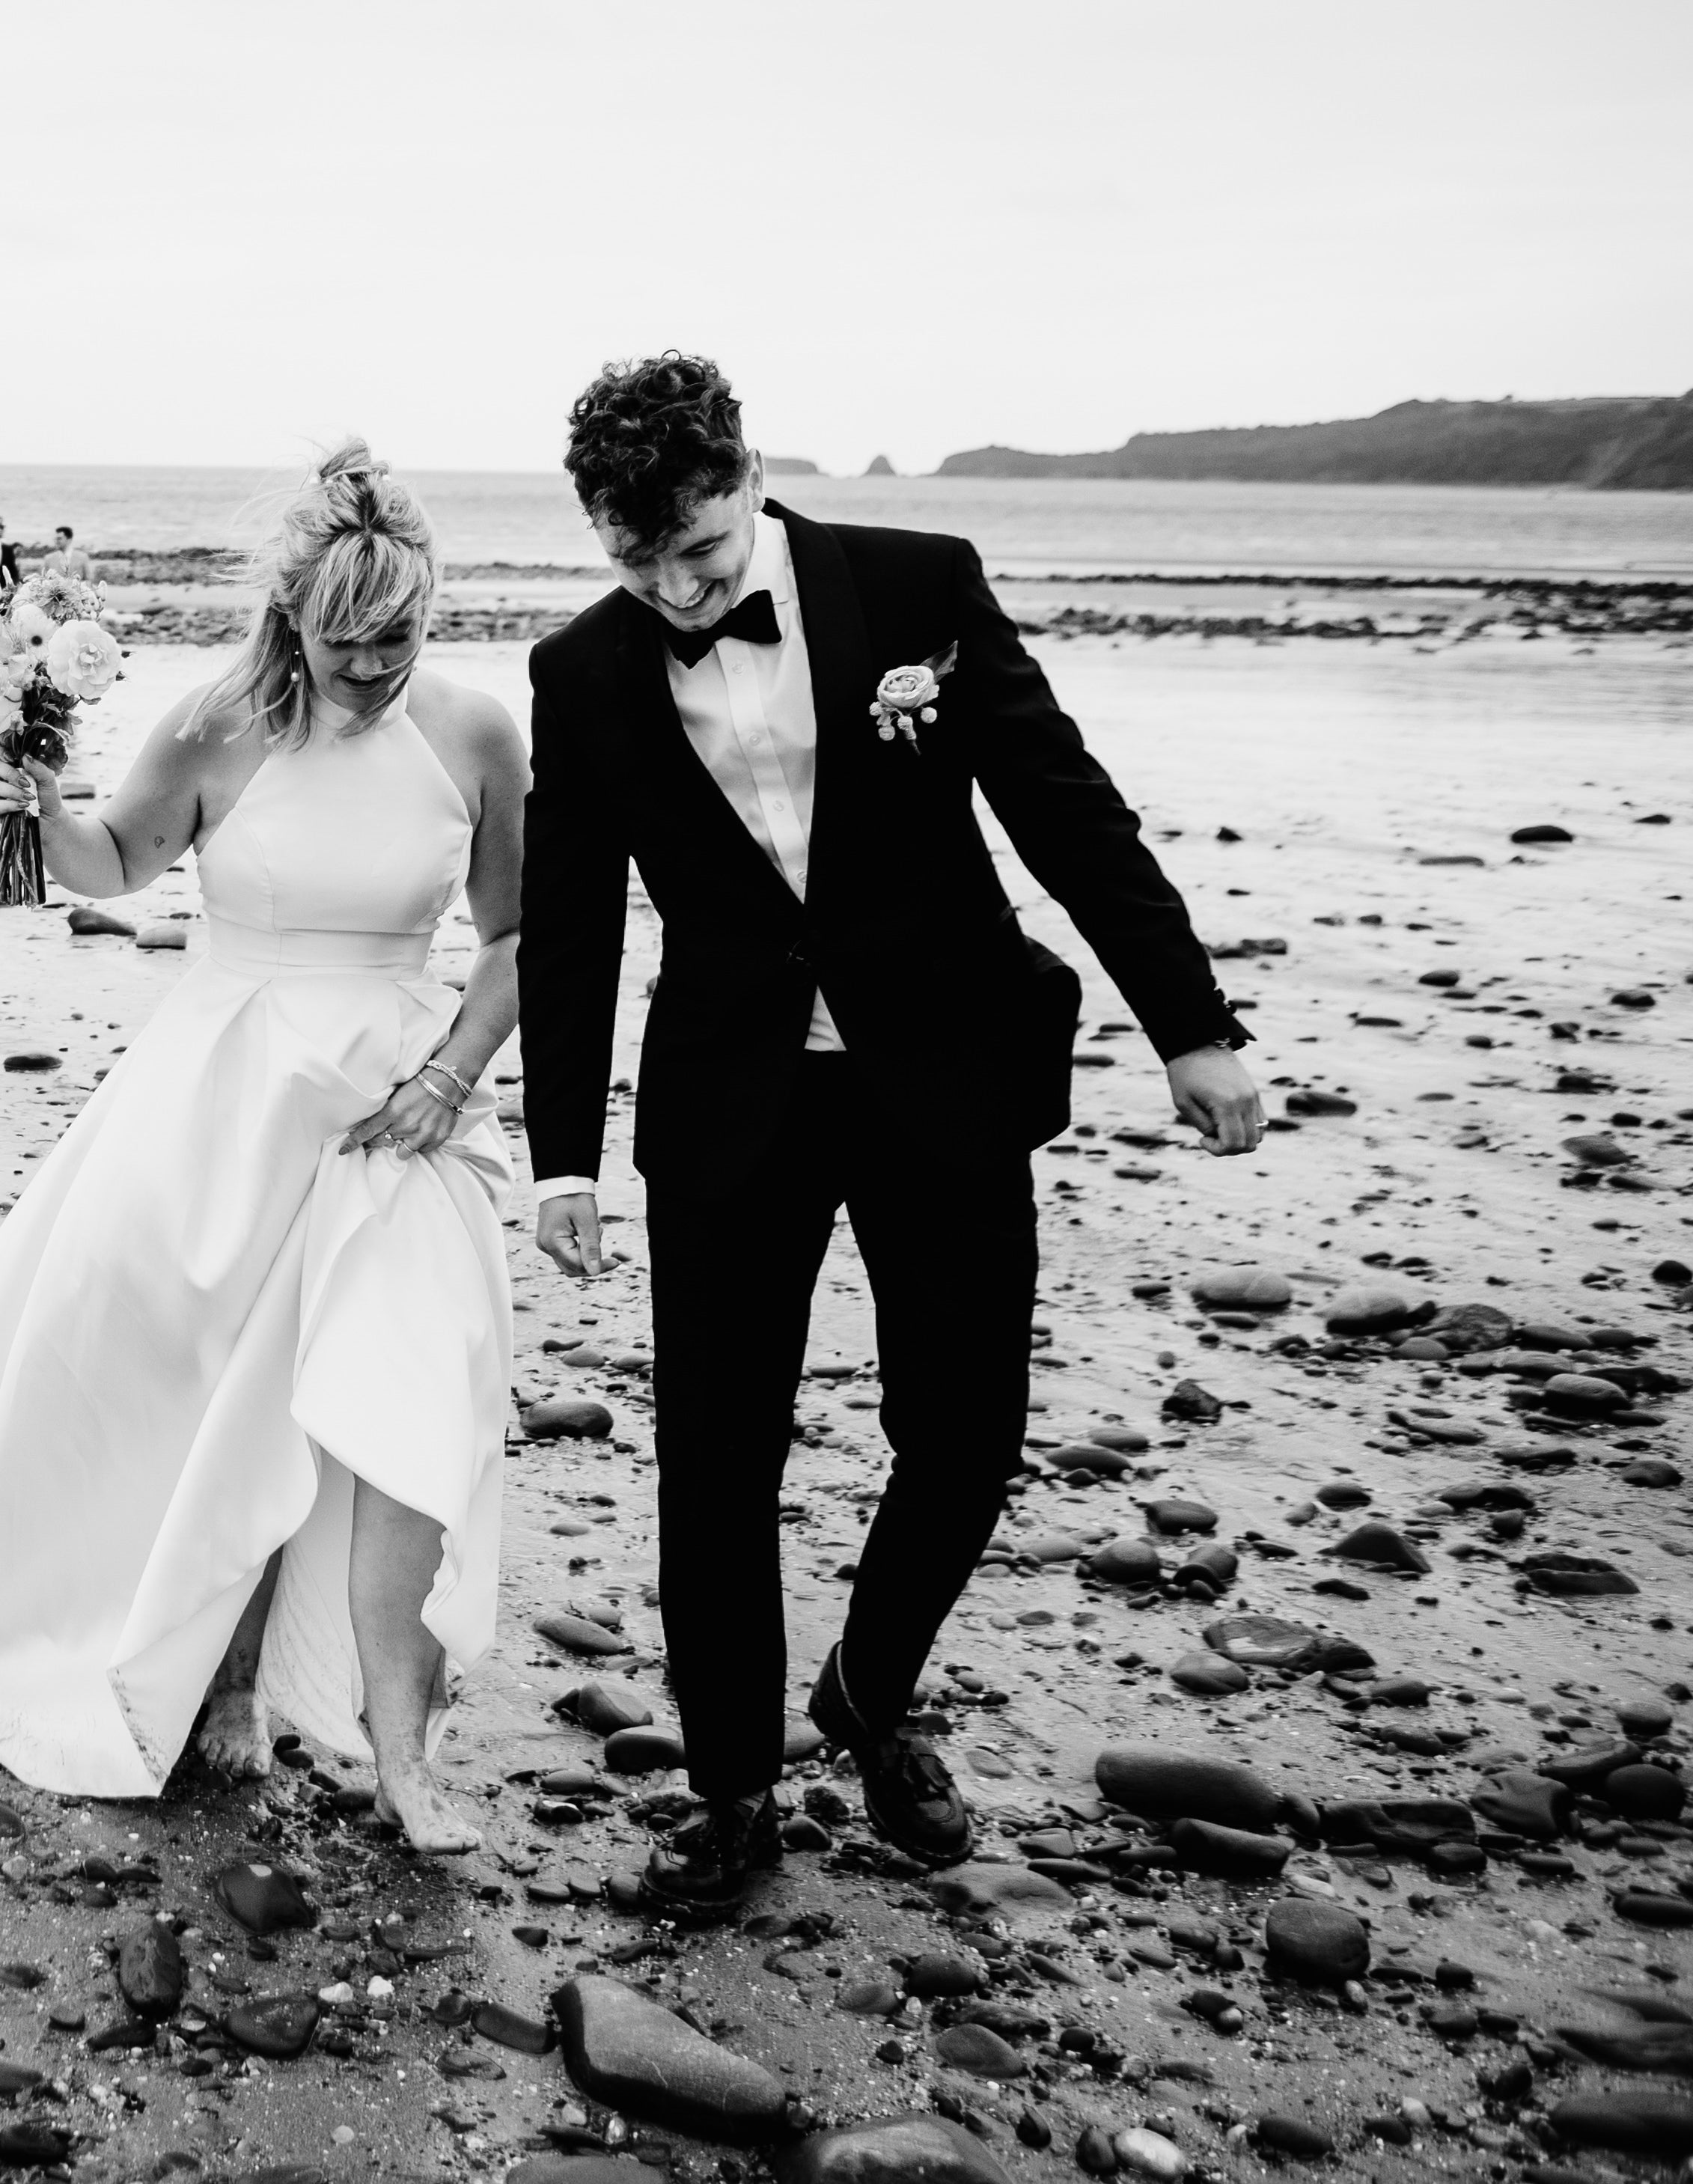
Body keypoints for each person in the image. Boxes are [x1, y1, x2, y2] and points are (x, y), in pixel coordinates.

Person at [520, 353, 1262, 1909]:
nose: (671, 586)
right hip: (731, 1107)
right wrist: (563, 1154)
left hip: (943, 1077)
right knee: (714, 1461)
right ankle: (729, 1793)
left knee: (969, 1435)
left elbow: (1065, 807)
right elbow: (574, 916)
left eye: (700, 553)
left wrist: (1186, 1025)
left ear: (748, 478)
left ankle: (867, 1689)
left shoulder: (915, 585)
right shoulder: (578, 672)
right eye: (635, 560)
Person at [0, 445, 518, 1845]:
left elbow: (523, 936)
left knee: (403, 1415)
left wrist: (451, 1077)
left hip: (395, 1114)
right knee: (205, 1400)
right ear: (290, 616)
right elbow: (114, 860)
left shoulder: (474, 736)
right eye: (344, 641)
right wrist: (32, 800)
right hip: (222, 1101)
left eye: (399, 637)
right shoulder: (221, 724)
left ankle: (403, 1755)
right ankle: (219, 1681)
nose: (372, 667)